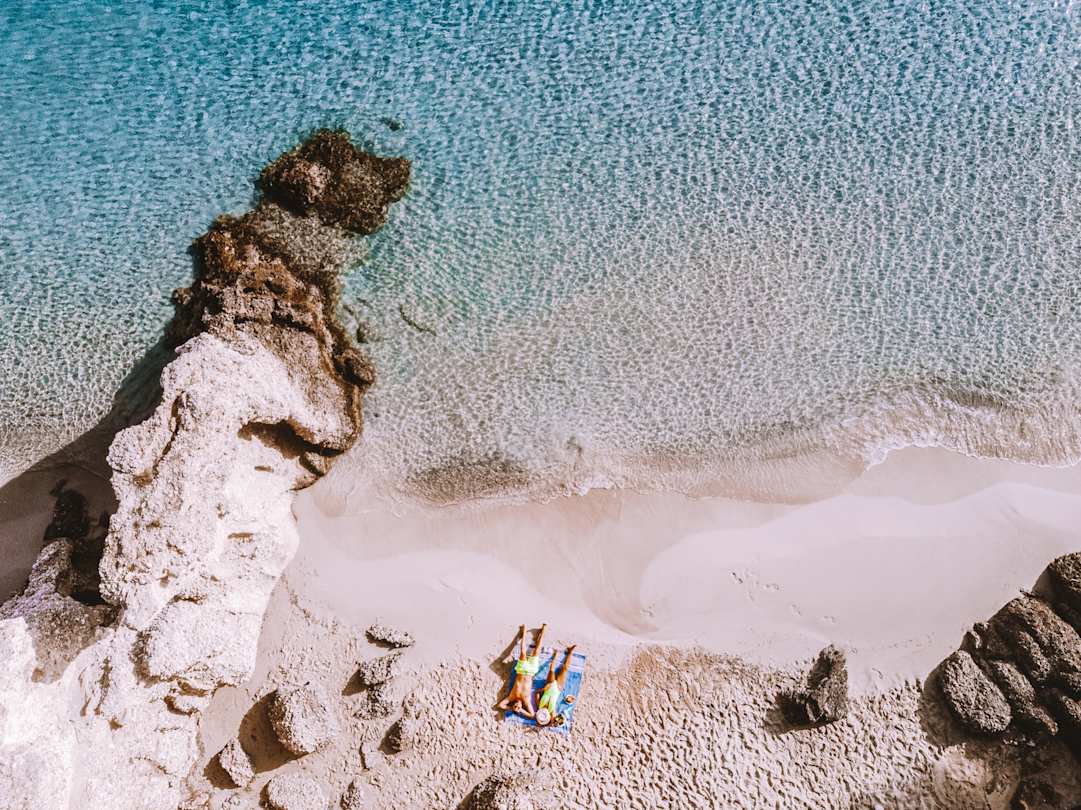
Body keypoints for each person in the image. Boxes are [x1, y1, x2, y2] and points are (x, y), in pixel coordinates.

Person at [498, 623, 546, 718]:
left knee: (523, 653)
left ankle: (523, 632)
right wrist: (521, 711)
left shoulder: (511, 697)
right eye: (518, 707)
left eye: (514, 706)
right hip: (531, 671)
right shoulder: (526, 700)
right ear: (521, 707)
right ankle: (543, 631)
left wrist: (511, 708)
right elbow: (532, 715)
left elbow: (501, 705)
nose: (517, 705)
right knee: (536, 651)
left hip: (521, 670)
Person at [534, 644, 577, 727]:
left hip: (548, 686)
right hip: (558, 689)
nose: (544, 712)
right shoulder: (552, 712)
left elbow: (536, 693)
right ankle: (570, 651)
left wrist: (543, 689)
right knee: (564, 669)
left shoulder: (539, 705)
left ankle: (555, 655)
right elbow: (555, 723)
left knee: (552, 669)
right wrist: (549, 723)